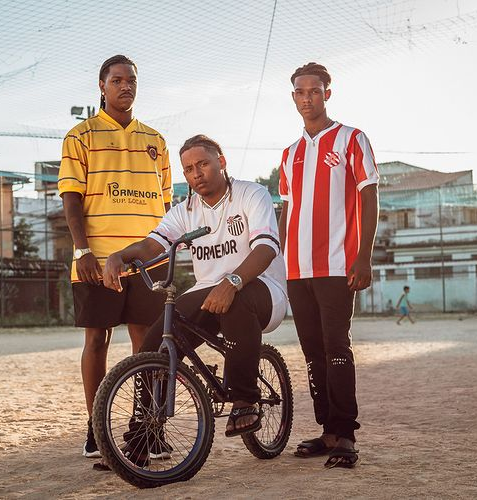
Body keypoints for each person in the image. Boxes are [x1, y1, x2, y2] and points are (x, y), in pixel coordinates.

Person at [102, 134, 288, 454]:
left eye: (203, 164)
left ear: (222, 162)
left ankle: (245, 399)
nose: (196, 173)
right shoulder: (184, 210)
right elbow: (152, 245)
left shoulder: (250, 194)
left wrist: (231, 281)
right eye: (188, 169)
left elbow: (267, 248)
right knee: (154, 344)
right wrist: (119, 256)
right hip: (208, 291)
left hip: (263, 288)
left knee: (236, 301)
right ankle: (145, 432)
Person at [57, 55, 172, 465]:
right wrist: (82, 250)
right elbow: (71, 199)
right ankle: (97, 427)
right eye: (117, 80)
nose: (126, 86)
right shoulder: (80, 136)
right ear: (101, 86)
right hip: (97, 259)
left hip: (147, 262)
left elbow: (167, 205)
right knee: (97, 340)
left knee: (146, 342)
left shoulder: (156, 141)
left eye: (132, 80)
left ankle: (147, 427)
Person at [279, 62, 379, 468]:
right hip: (297, 269)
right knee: (312, 351)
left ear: (327, 93)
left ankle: (347, 436)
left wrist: (364, 255)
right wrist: (280, 260)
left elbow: (369, 198)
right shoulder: (290, 155)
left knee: (336, 347)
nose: (308, 98)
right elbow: (286, 213)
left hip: (338, 265)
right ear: (294, 98)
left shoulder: (352, 139)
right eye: (301, 92)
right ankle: (327, 431)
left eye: (315, 91)